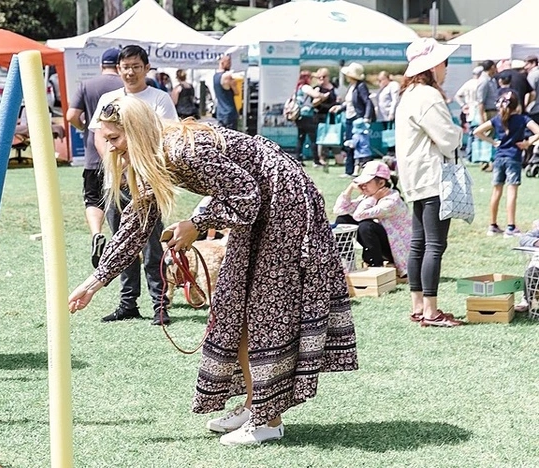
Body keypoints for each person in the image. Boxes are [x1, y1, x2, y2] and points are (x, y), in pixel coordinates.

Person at [68, 96, 357, 446]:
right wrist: (94, 283)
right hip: (258, 207)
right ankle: (255, 405)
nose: (110, 148)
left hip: (284, 203)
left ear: (137, 131)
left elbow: (247, 194)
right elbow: (136, 226)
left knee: (261, 311)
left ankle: (268, 420)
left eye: (114, 138)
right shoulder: (154, 159)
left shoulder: (184, 151)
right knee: (233, 306)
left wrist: (197, 223)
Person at [90, 44, 178, 326]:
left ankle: (160, 306)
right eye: (125, 67)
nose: (130, 72)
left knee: (153, 246)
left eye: (136, 67)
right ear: (118, 69)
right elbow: (100, 137)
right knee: (122, 243)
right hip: (118, 183)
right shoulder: (109, 98)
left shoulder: (159, 99)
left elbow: (165, 136)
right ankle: (128, 303)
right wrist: (118, 163)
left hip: (148, 182)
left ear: (146, 69)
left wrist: (137, 165)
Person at [395, 38, 464, 327]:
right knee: (435, 245)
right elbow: (447, 139)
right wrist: (459, 131)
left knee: (419, 244)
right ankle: (431, 311)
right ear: (434, 65)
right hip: (433, 176)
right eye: (444, 62)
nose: (446, 69)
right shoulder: (428, 96)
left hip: (414, 177)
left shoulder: (408, 94)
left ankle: (419, 306)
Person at [67, 48, 124, 270]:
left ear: (101, 65)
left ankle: (97, 233)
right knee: (123, 198)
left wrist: (84, 128)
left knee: (93, 198)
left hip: (93, 150)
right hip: (119, 150)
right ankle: (125, 241)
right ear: (120, 65)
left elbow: (71, 115)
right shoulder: (126, 87)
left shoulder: (87, 85)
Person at [474, 90, 539, 237]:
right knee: (511, 192)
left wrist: (492, 142)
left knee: (496, 191)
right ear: (517, 106)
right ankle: (510, 227)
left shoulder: (497, 119)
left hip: (499, 158)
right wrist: (528, 142)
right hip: (513, 158)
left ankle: (492, 225)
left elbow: (477, 131)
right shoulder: (523, 119)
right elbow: (538, 131)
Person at [333, 161, 411, 278]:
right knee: (343, 220)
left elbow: (359, 215)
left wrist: (374, 198)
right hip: (383, 243)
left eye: (366, 183)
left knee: (366, 226)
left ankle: (375, 266)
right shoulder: (370, 196)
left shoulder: (392, 201)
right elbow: (340, 210)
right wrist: (350, 188)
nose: (362, 186)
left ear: (381, 183)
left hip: (396, 250)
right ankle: (346, 263)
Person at [332, 62, 375, 177]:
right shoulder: (351, 87)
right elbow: (349, 103)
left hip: (357, 119)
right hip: (349, 118)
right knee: (349, 143)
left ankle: (359, 170)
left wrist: (366, 118)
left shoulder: (361, 86)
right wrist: (340, 107)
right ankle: (349, 170)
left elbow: (367, 102)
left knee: (358, 145)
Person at [292, 70, 323, 166]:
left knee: (300, 138)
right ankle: (316, 160)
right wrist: (322, 94)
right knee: (313, 138)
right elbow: (316, 95)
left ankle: (298, 158)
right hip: (307, 115)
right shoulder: (306, 87)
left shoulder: (298, 88)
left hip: (299, 116)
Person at [312, 68, 338, 163]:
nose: (322, 79)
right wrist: (322, 98)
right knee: (321, 137)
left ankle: (337, 157)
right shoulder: (317, 88)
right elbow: (314, 103)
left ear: (328, 77)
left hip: (332, 115)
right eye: (320, 77)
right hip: (320, 115)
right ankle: (322, 157)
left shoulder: (333, 87)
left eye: (324, 76)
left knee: (332, 135)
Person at [213, 54, 240, 130]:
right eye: (228, 62)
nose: (230, 64)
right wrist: (234, 83)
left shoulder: (215, 76)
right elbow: (237, 92)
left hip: (220, 112)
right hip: (229, 112)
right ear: (222, 62)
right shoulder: (227, 77)